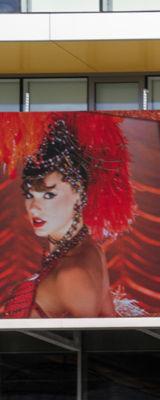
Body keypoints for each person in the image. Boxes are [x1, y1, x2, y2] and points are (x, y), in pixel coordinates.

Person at [8, 116, 132, 319]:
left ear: (78, 192)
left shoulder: (72, 273)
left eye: (49, 195)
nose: (34, 208)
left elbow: (95, 344)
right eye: (29, 195)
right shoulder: (88, 250)